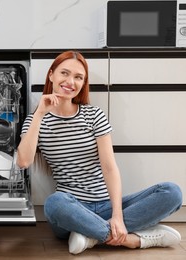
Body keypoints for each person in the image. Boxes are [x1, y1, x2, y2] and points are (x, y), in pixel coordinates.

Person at [16, 50, 183, 254]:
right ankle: (132, 240)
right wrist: (40, 112)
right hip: (72, 208)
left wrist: (117, 215)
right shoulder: (36, 121)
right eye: (64, 73)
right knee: (53, 203)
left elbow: (109, 167)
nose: (71, 81)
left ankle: (91, 235)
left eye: (78, 77)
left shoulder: (93, 115)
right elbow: (23, 161)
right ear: (51, 75)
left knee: (171, 192)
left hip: (105, 204)